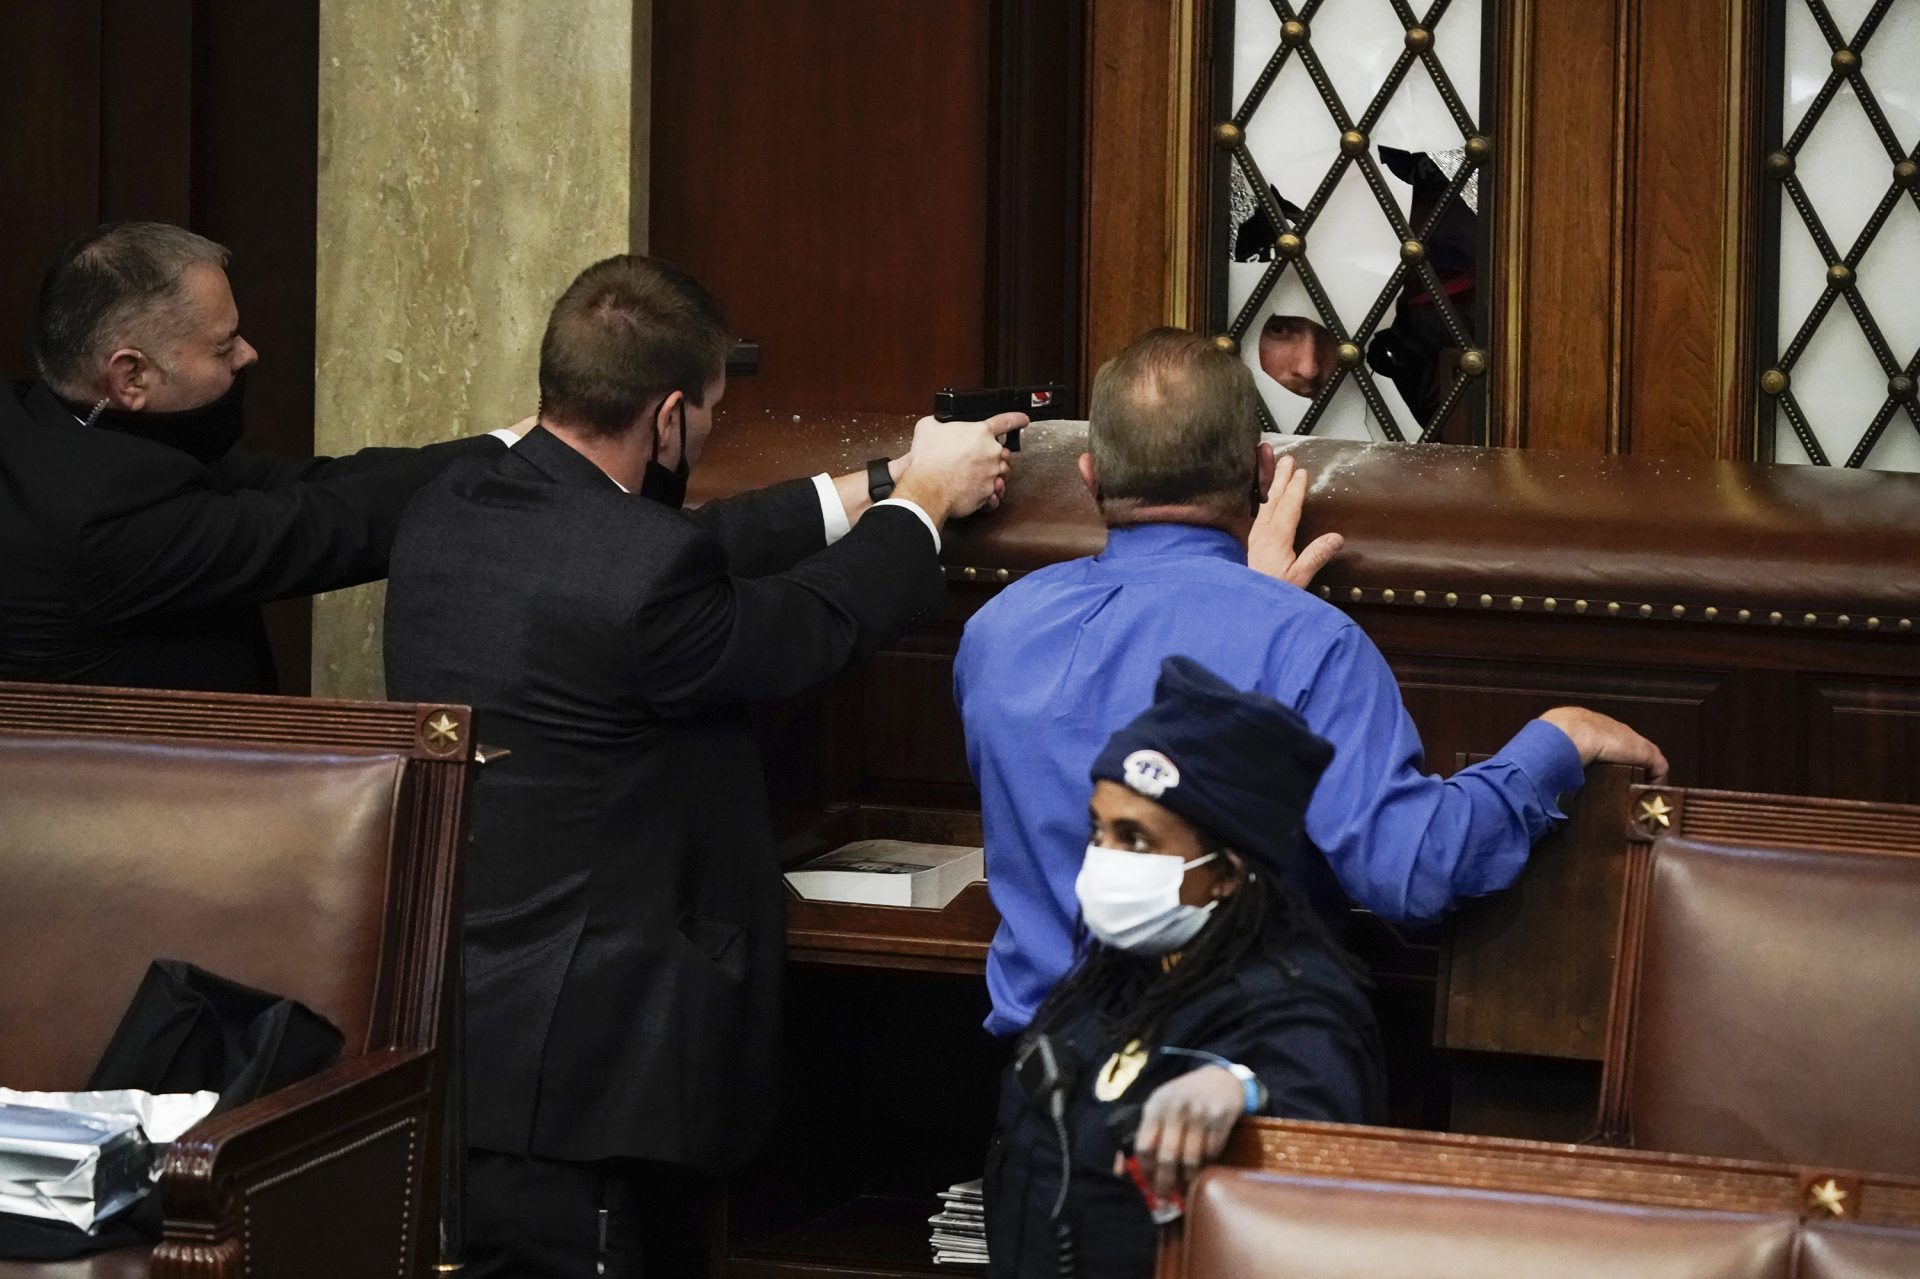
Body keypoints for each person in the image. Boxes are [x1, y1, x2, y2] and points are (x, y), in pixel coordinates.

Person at [381, 252, 1017, 1277]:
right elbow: (807, 627)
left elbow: (671, 541)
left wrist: (877, 485)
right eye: (712, 412)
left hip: (462, 1028)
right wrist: (922, 514)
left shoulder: (455, 505)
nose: (712, 432)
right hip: (594, 1070)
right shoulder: (642, 576)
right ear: (669, 415)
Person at [955, 326, 1668, 1039]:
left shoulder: (995, 631)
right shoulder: (1304, 642)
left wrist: (1254, 606)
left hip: (1039, 1097)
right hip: (1232, 1095)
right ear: (1264, 470)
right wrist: (1554, 743)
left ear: (1090, 476)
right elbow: (1412, 870)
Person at [987, 655, 1386, 1278]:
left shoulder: (1299, 1001)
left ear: (1225, 873)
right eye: (1100, 831)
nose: (1105, 859)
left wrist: (1237, 1085)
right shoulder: (1124, 970)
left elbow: (1313, 1101)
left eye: (1137, 840)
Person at [0, 221, 517, 693]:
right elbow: (322, 526)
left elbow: (308, 483)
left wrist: (507, 443)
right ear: (132, 376)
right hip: (137, 791)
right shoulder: (102, 516)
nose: (248, 353)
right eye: (223, 348)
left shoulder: (49, 417)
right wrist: (538, 451)